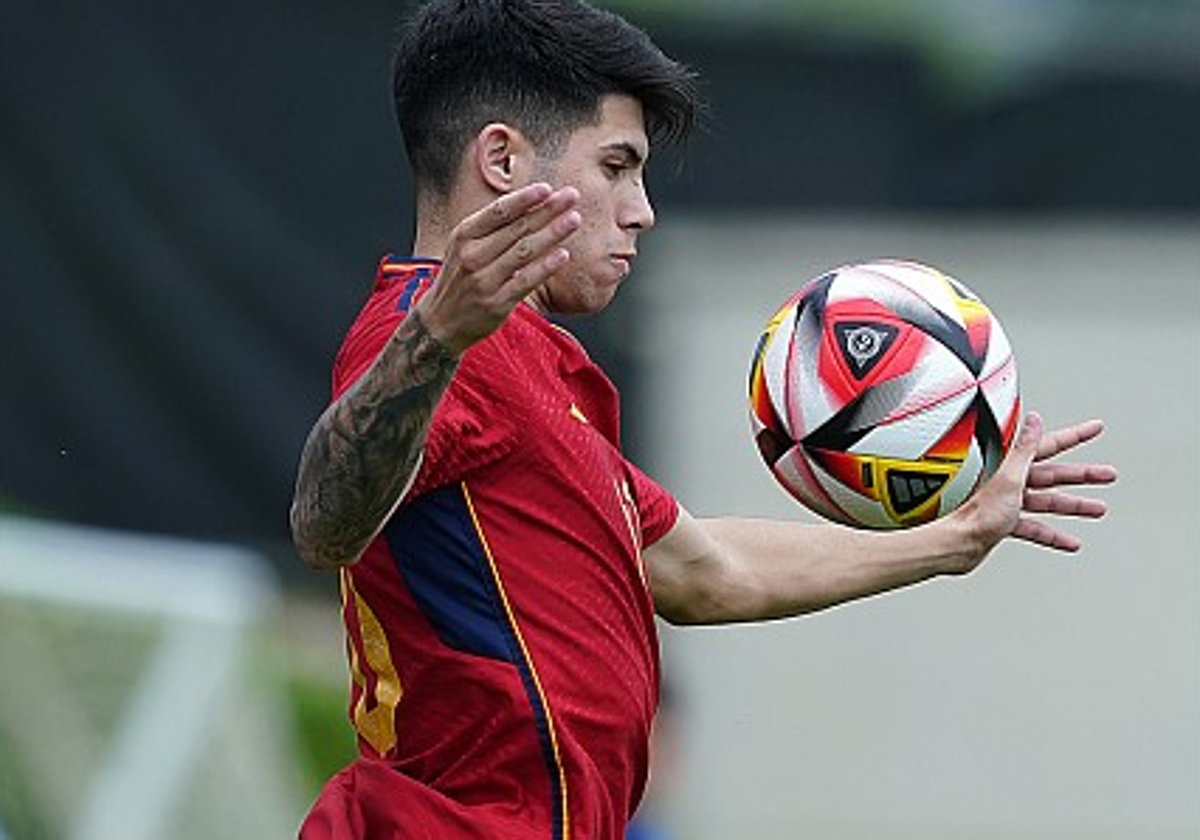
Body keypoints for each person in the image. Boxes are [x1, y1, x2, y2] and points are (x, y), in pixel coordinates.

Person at [289, 1, 1117, 837]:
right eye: (617, 165)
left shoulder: (533, 362)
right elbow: (324, 522)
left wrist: (955, 538)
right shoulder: (417, 332)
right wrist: (435, 337)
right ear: (502, 159)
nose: (641, 208)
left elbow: (703, 568)